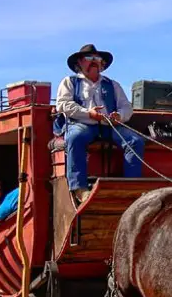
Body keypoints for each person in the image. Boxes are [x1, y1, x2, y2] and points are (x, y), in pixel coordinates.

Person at [55, 44, 144, 203]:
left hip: (110, 126)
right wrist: (88, 113)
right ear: (80, 63)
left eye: (97, 58)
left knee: (134, 141)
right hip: (82, 124)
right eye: (89, 58)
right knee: (75, 138)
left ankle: (132, 187)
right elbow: (63, 105)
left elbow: (126, 107)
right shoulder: (69, 82)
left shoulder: (113, 84)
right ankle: (79, 188)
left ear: (102, 64)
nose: (94, 61)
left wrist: (119, 116)